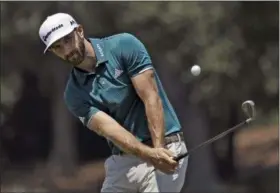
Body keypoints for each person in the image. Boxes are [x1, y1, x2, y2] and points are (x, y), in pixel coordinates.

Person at [39, 13, 188, 192]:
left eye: (68, 40)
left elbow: (150, 97)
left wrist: (159, 151)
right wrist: (149, 155)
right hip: (124, 162)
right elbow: (110, 130)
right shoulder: (73, 93)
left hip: (166, 145)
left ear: (79, 30)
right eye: (57, 47)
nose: (66, 50)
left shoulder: (123, 45)